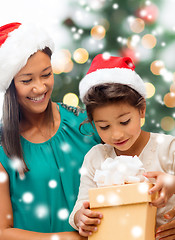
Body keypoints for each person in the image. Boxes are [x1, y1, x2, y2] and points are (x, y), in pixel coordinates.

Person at [0, 22, 101, 240]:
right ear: (9, 85)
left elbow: (132, 172)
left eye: (46, 74)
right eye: (27, 80)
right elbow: (2, 231)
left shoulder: (85, 123)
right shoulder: (2, 148)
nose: (40, 88)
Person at [69, 54, 175, 239]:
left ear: (142, 109)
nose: (116, 134)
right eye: (104, 126)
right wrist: (80, 217)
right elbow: (82, 204)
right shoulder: (96, 158)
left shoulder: (168, 148)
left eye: (125, 122)